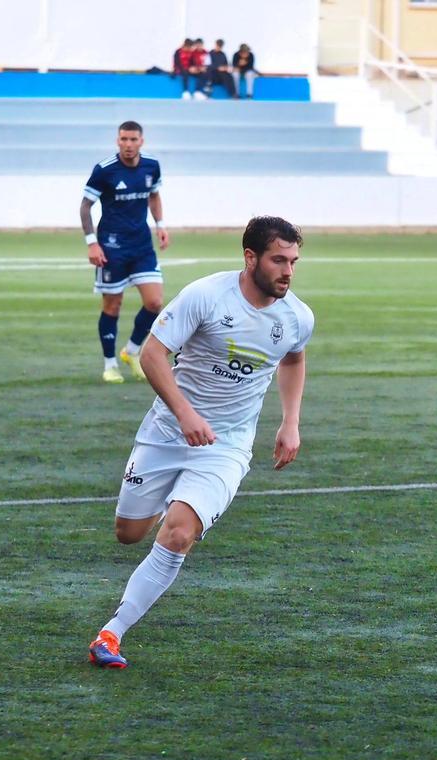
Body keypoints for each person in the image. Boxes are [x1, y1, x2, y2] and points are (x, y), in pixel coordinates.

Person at [87, 216, 314, 669]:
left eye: (293, 261)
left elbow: (293, 358)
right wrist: (185, 413)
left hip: (226, 446)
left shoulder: (297, 317)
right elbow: (153, 354)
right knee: (128, 534)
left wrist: (291, 421)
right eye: (278, 260)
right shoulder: (206, 296)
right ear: (250, 258)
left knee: (179, 534)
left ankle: (111, 634)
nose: (288, 271)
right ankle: (167, 503)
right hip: (167, 433)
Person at [80, 121, 169, 384]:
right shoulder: (105, 170)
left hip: (142, 245)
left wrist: (160, 225)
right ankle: (110, 364)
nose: (128, 145)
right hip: (111, 247)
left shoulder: (151, 166)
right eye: (123, 139)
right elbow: (85, 206)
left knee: (154, 303)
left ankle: (131, 351)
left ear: (142, 141)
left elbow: (154, 195)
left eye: (133, 139)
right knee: (112, 305)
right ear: (117, 141)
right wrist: (91, 242)